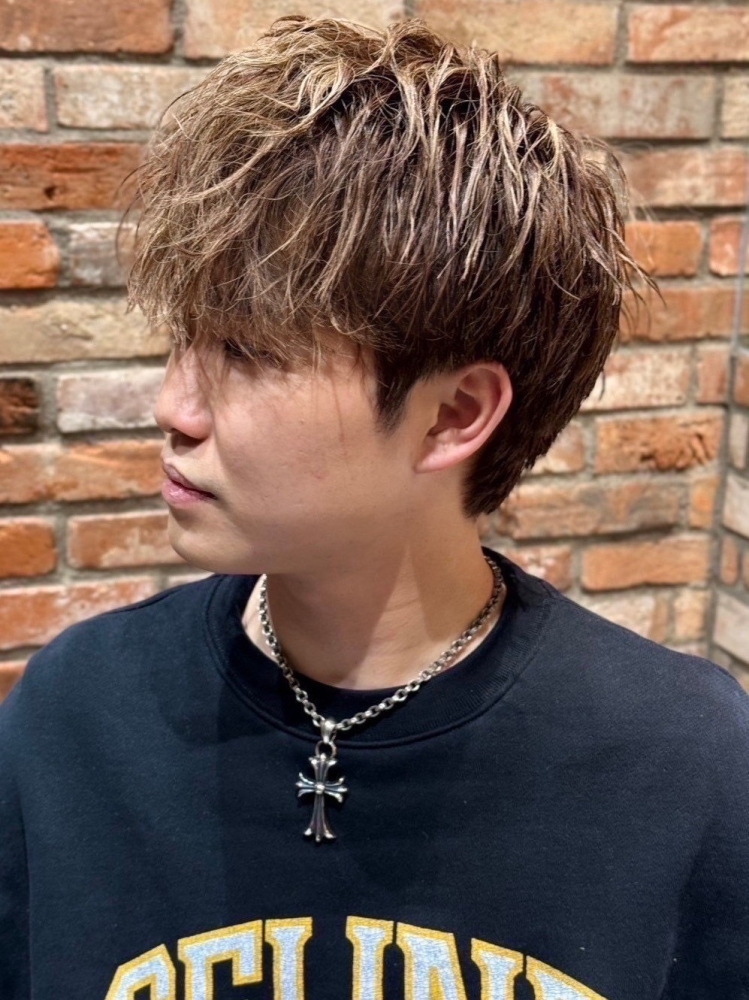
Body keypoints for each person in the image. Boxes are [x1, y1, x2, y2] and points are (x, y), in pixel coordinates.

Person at [1, 14, 748, 1000]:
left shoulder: (686, 768)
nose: (173, 407)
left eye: (248, 352)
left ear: (454, 415)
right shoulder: (75, 717)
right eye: (186, 337)